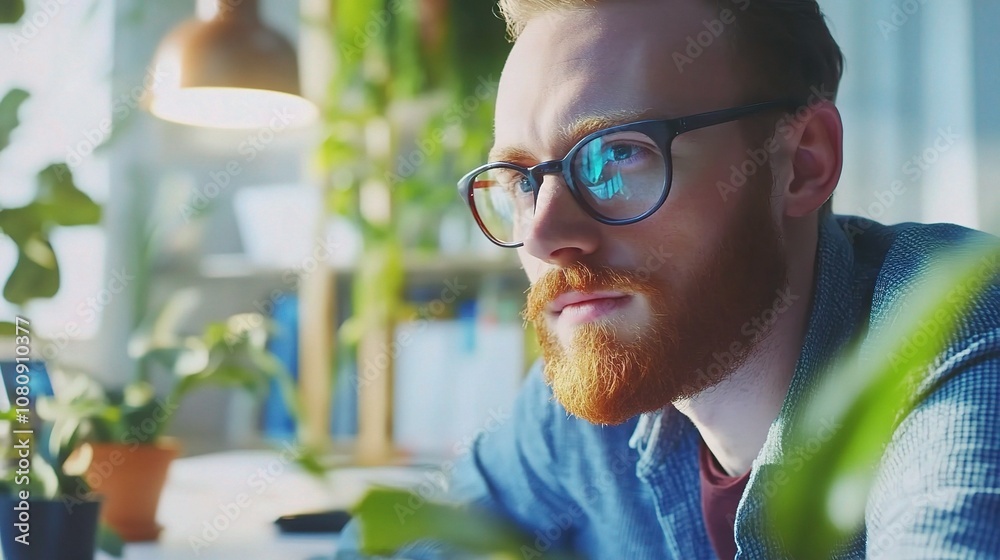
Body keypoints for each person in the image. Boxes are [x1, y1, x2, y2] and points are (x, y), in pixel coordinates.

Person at [337, 0, 1000, 558]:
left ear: (800, 162)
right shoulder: (595, 388)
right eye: (520, 182)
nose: (541, 234)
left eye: (618, 154)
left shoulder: (951, 325)